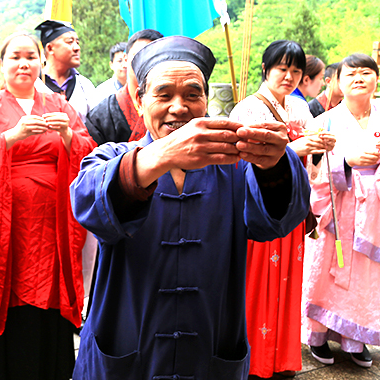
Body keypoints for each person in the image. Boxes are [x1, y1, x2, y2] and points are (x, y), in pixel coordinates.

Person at [69, 35, 311, 380]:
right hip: (126, 351)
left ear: (207, 101)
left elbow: (279, 221)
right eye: (163, 94)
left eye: (192, 94)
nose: (179, 107)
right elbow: (87, 203)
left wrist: (273, 163)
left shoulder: (236, 164)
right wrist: (161, 155)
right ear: (140, 102)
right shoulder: (112, 156)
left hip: (209, 350)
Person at [0, 32, 96, 380]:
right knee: (6, 290)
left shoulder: (60, 105)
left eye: (30, 57)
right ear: (2, 65)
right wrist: (10, 137)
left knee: (49, 291)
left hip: (51, 222)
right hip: (4, 220)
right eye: (15, 57)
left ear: (41, 62)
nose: (23, 64)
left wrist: (66, 136)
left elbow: (88, 150)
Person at [229, 40, 335, 379]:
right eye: (282, 68)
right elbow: (244, 164)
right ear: (265, 69)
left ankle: (282, 358)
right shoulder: (248, 109)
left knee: (289, 283)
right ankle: (255, 360)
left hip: (292, 207)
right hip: (260, 208)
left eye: (295, 71)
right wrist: (297, 147)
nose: (289, 76)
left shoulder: (299, 108)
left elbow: (310, 170)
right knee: (258, 284)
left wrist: (318, 150)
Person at [302, 53, 380, 369]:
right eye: (350, 73)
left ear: (376, 79)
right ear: (338, 82)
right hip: (336, 211)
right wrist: (346, 163)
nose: (358, 77)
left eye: (366, 72)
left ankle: (357, 339)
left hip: (377, 214)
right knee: (328, 270)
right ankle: (317, 337)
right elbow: (310, 170)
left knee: (368, 277)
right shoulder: (325, 121)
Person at [85, 29, 163, 146]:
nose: (146, 62)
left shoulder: (177, 107)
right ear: (126, 60)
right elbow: (92, 160)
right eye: (139, 55)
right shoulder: (102, 114)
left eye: (154, 56)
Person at [34, 20, 95, 123]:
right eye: (70, 42)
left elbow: (97, 129)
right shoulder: (34, 85)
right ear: (50, 48)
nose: (77, 48)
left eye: (77, 42)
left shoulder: (84, 86)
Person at [92, 42, 127, 106]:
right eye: (120, 61)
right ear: (111, 65)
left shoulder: (140, 88)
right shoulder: (102, 92)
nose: (124, 65)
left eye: (127, 60)